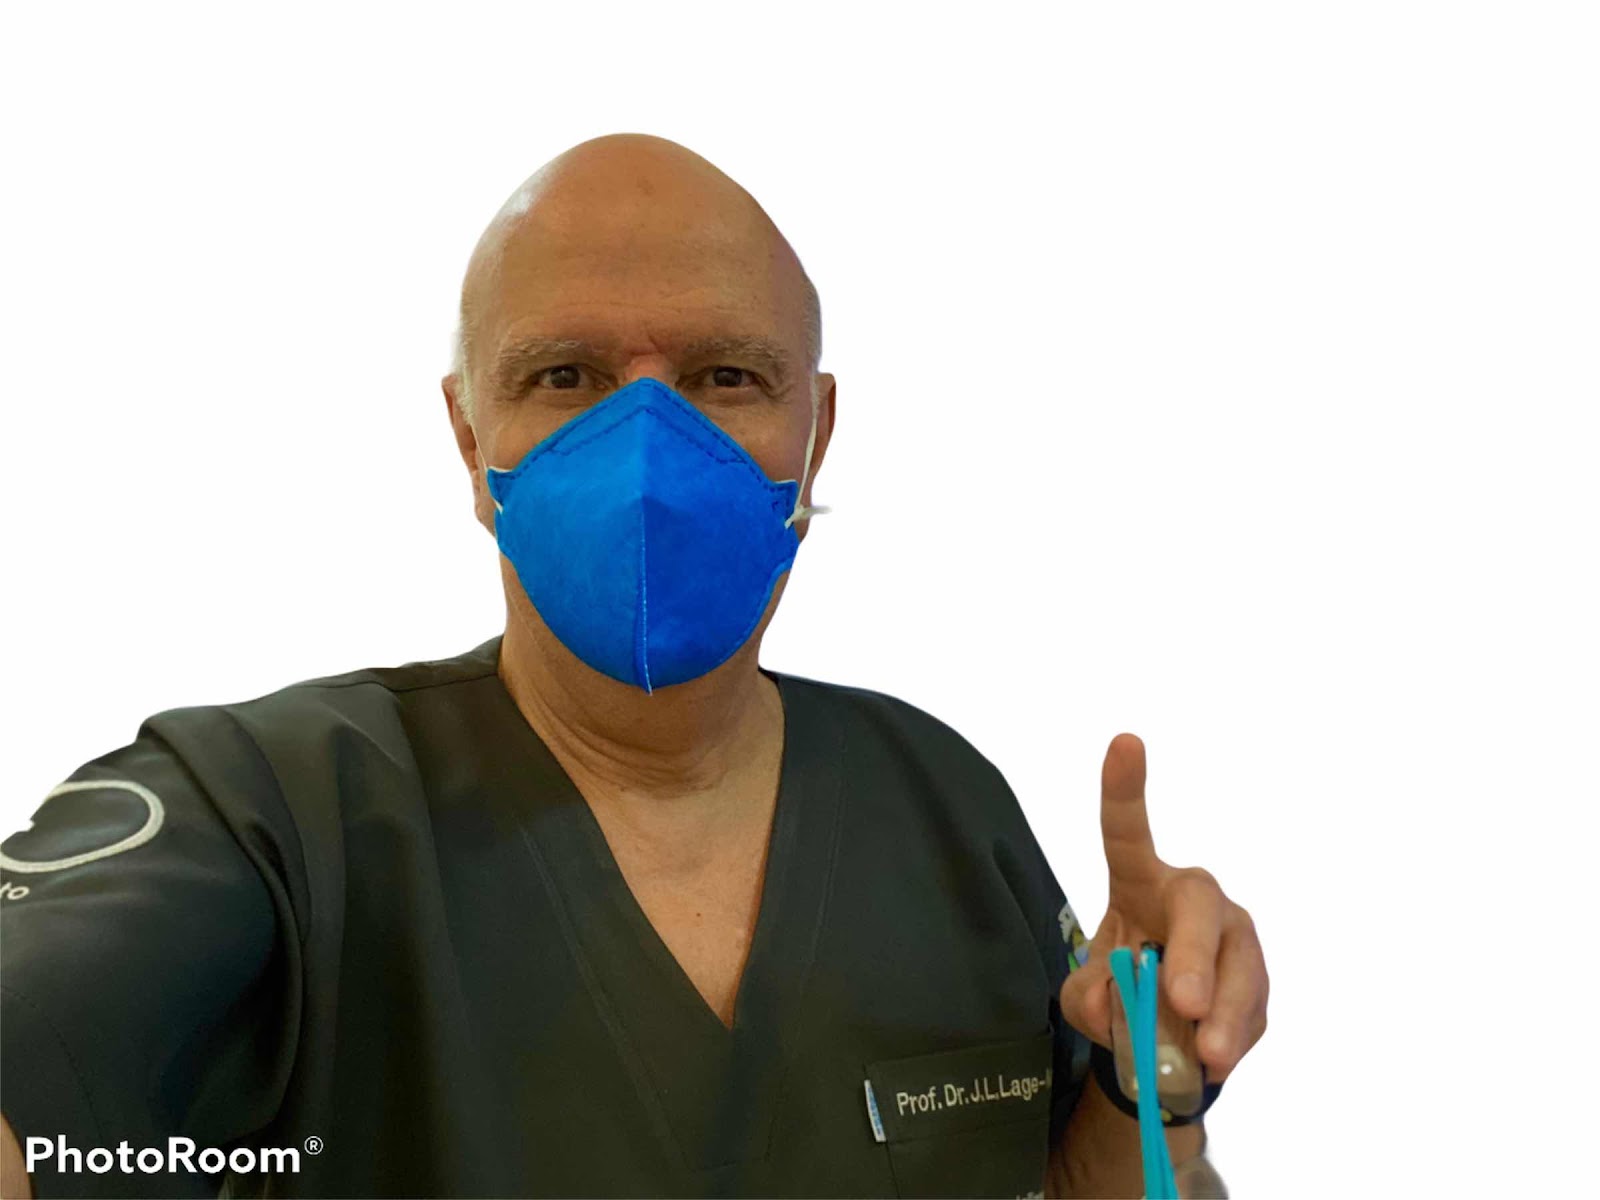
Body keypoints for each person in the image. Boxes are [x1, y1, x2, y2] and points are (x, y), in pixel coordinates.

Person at [0, 134, 1268, 1199]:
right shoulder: (262, 818)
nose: (647, 450)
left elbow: (1087, 1185)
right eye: (567, 377)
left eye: (726, 376)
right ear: (471, 439)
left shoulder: (942, 806)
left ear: (814, 434)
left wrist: (1144, 1082)